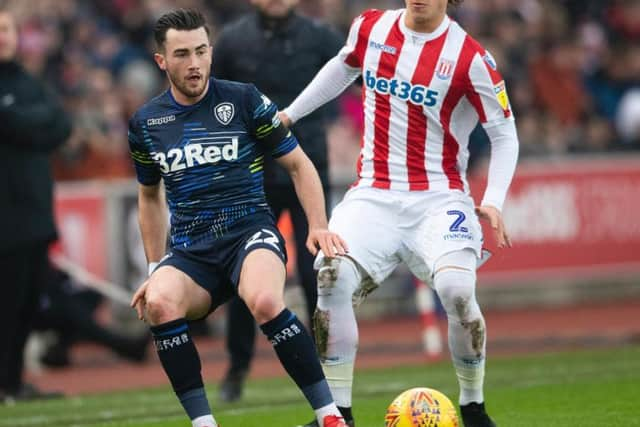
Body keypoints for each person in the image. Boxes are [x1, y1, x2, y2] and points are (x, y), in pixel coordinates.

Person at [280, 1, 519, 426]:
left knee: (457, 290)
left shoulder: (471, 57)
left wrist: (495, 199)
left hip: (440, 200)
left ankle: (473, 407)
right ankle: (338, 416)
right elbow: (342, 67)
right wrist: (291, 114)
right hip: (374, 194)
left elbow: (504, 135)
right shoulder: (371, 28)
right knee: (330, 275)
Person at [128, 9, 350, 427]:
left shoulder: (244, 99)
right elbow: (149, 196)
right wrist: (156, 268)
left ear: (211, 52)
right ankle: (204, 422)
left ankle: (330, 417)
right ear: (162, 61)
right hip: (192, 251)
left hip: (249, 232)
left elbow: (301, 165)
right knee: (158, 303)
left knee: (265, 301)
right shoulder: (146, 123)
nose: (194, 64)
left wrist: (319, 224)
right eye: (181, 55)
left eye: (200, 52)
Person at [212, 0, 343, 403]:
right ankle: (237, 367)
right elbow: (213, 102)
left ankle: (326, 364)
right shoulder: (232, 40)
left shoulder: (321, 37)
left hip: (309, 170)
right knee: (243, 279)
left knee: (317, 271)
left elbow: (350, 81)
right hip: (252, 177)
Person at [0, 2, 72, 403]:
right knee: (6, 308)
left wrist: (18, 122)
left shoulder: (27, 80)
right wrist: (32, 123)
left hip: (36, 213)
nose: (3, 37)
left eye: (7, 29)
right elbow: (39, 124)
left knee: (27, 305)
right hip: (5, 219)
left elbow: (60, 125)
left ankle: (12, 382)